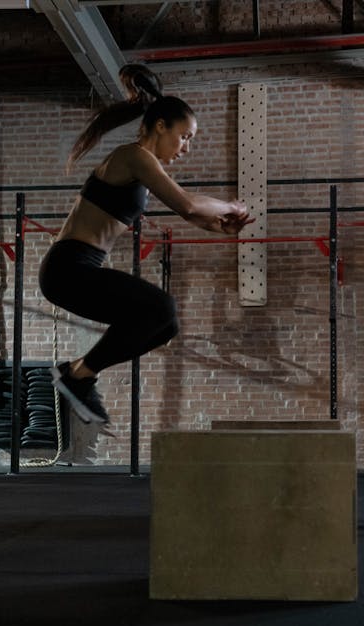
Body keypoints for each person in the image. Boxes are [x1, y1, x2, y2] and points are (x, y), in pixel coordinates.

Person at [39, 65, 253, 434]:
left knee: (164, 323)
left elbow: (192, 213)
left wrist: (219, 226)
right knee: (161, 307)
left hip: (77, 271)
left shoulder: (143, 170)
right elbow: (186, 204)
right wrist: (230, 207)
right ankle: (77, 376)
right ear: (160, 127)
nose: (186, 148)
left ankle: (76, 373)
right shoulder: (134, 157)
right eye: (184, 137)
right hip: (69, 269)